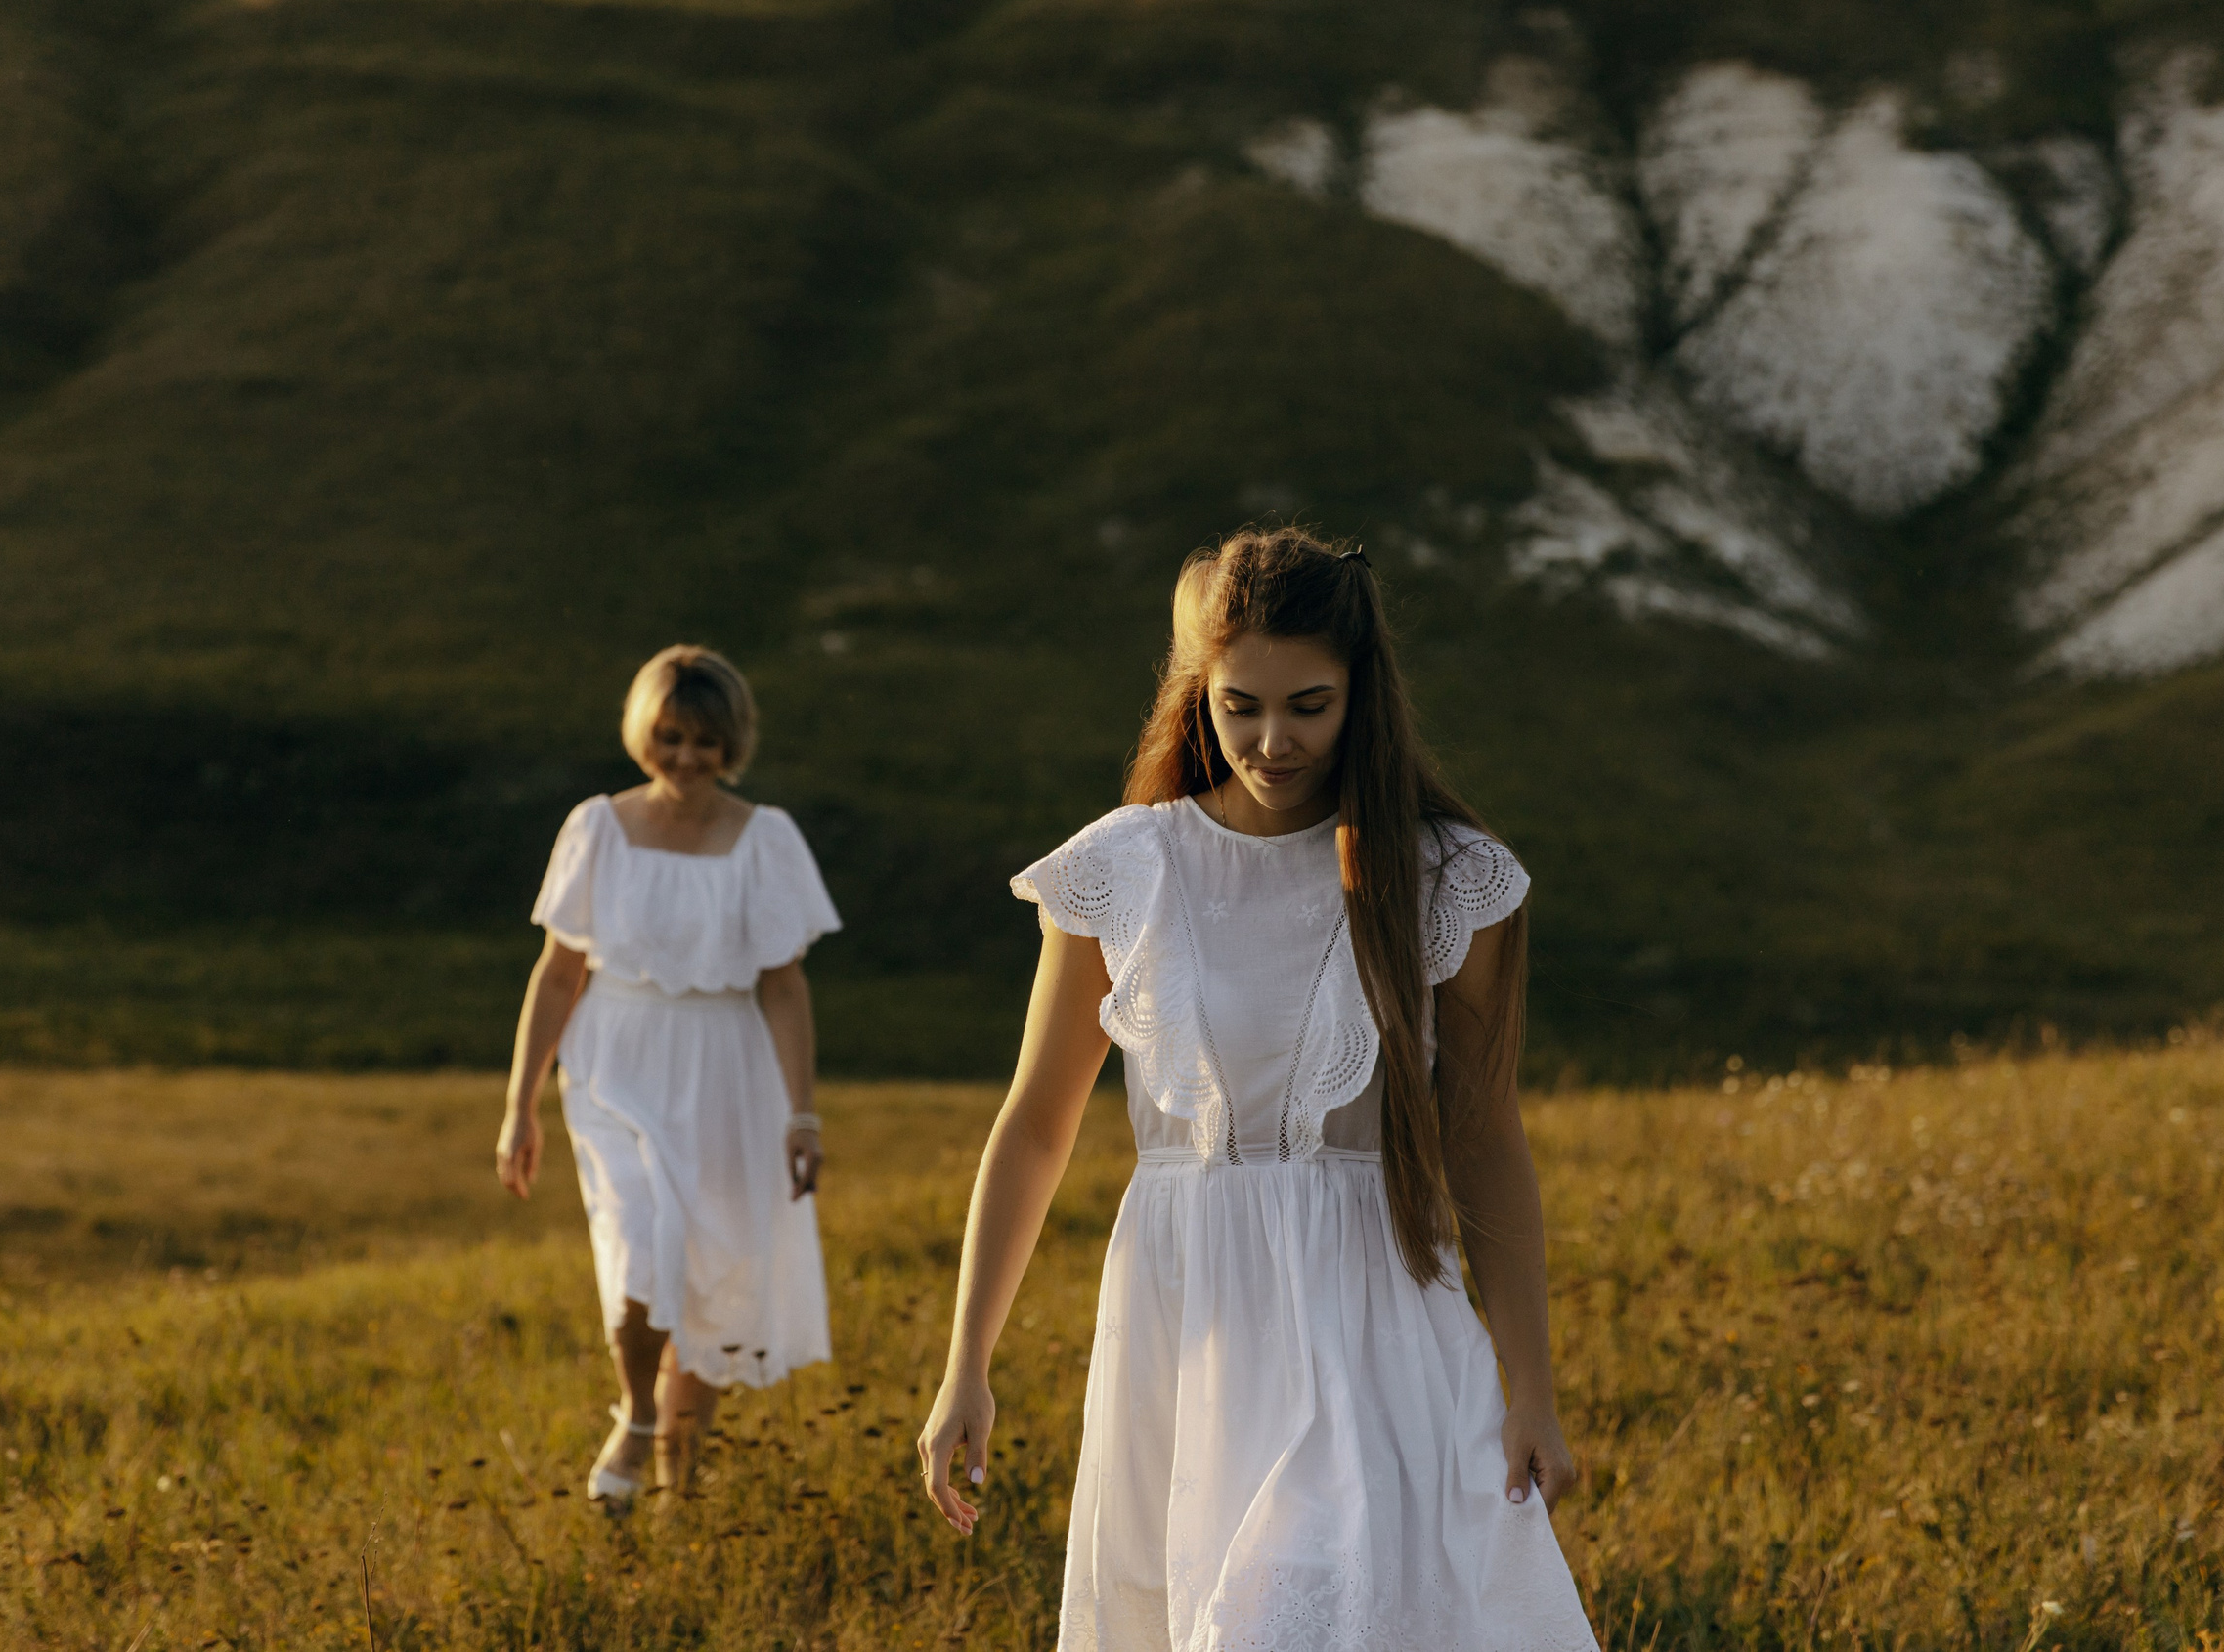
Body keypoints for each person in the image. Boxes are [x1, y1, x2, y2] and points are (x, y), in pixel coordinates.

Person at [917, 529, 1597, 1647]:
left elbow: (1482, 1135)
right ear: (1198, 692)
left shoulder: (1444, 873)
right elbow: (1035, 1126)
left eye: (1309, 705)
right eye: (1241, 705)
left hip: (1376, 1313)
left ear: (1361, 696)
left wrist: (1531, 1382)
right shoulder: (1124, 867)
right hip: (1188, 1323)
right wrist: (966, 1368)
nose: (1272, 739)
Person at [497, 643, 841, 1506]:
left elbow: (785, 986)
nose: (689, 758)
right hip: (615, 1060)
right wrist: (520, 1105)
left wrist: (803, 1117)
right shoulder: (597, 829)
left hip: (728, 1069)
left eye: (707, 742)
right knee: (642, 1245)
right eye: (671, 737)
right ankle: (638, 1413)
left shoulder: (766, 840)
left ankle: (675, 1487)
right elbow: (558, 973)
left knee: (713, 1269)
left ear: (734, 744)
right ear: (642, 734)